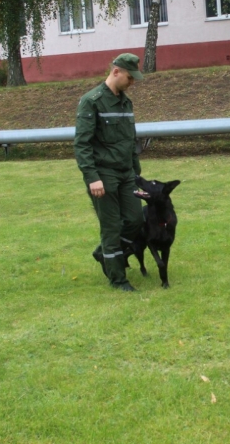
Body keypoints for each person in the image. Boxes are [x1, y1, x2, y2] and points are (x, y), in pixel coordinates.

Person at [74, 53, 145, 292]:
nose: (132, 82)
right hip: (103, 174)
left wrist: (137, 173)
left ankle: (103, 253)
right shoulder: (91, 101)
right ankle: (118, 278)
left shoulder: (126, 102)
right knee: (111, 226)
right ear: (115, 72)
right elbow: (82, 144)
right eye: (129, 77)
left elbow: (130, 140)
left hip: (126, 174)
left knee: (136, 219)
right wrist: (92, 177)